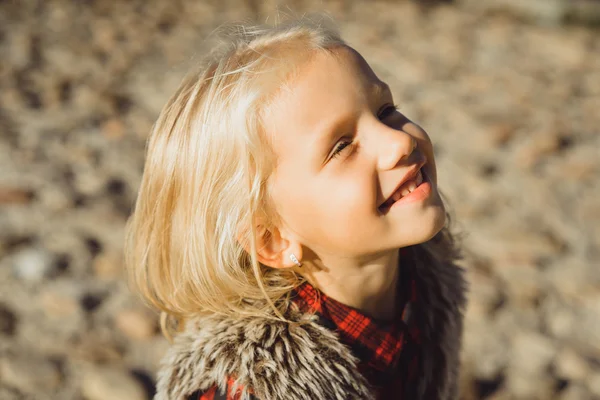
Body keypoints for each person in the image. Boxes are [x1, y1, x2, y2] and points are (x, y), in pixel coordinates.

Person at [124, 16, 467, 400]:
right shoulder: (247, 388)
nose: (397, 143)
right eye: (341, 146)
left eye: (386, 110)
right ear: (271, 240)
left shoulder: (427, 284)